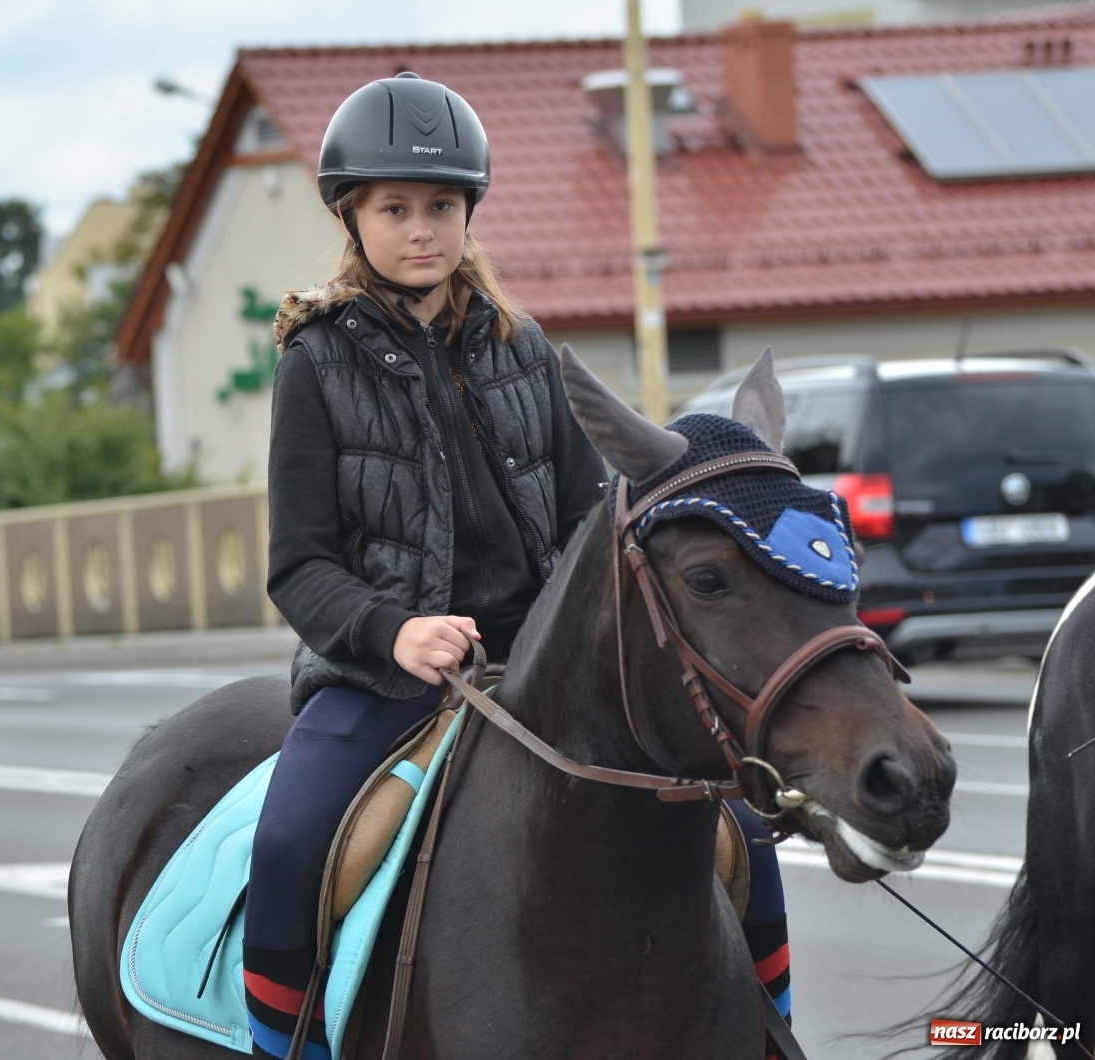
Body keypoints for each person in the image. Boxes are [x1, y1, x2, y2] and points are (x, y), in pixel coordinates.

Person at [244, 73, 791, 1060]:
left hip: (549, 666)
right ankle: (282, 1047)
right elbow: (299, 565)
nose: (422, 229)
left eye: (441, 206)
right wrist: (394, 631)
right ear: (351, 216)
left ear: (470, 211)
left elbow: (593, 517)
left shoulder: (524, 347)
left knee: (739, 829)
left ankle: (773, 1030)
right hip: (387, 673)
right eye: (395, 208)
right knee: (290, 844)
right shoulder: (314, 363)